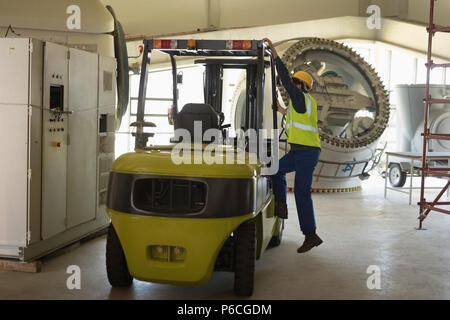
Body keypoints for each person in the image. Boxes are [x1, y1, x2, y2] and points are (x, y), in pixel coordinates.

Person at [263, 38, 323, 253]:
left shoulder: (300, 98)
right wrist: (280, 110)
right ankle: (281, 205)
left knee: (301, 192)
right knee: (275, 171)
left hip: (307, 153)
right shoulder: (302, 104)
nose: (291, 85)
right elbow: (296, 119)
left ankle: (311, 234)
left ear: (301, 86)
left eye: (295, 83)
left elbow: (286, 83)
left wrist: (275, 54)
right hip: (299, 152)